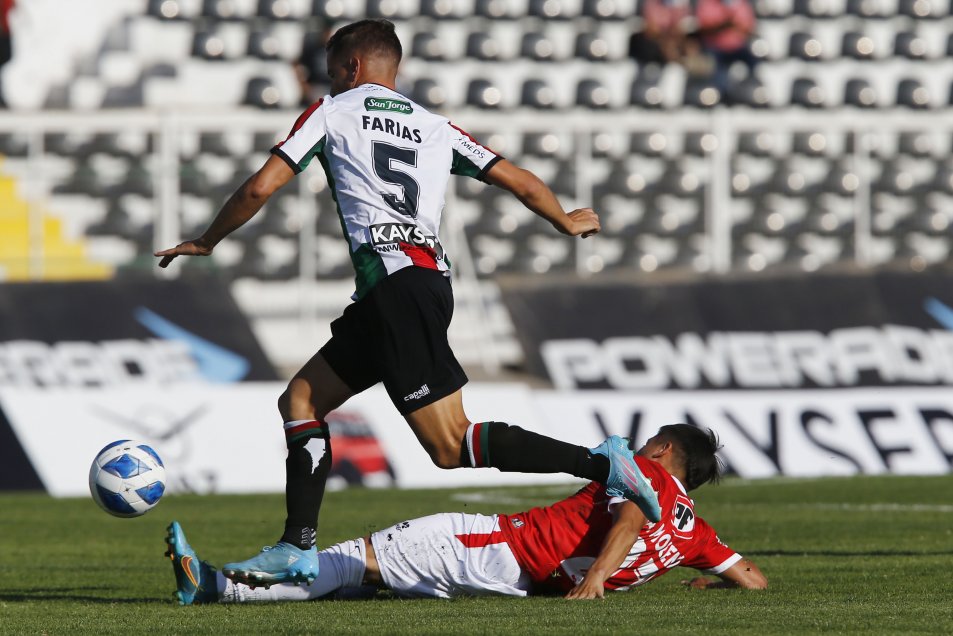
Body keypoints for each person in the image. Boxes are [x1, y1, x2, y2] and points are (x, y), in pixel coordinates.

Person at [154, 18, 660, 587]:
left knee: (449, 445)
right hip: (412, 285)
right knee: (300, 399)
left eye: (332, 71)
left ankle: (604, 463)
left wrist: (207, 240)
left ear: (350, 67)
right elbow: (516, 179)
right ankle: (296, 546)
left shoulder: (332, 111)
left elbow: (259, 187)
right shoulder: (432, 125)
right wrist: (564, 220)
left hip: (394, 286)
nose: (330, 80)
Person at [165, 425, 767, 605]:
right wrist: (708, 575)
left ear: (662, 453)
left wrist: (595, 580)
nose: (637, 456)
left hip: (498, 545)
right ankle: (217, 586)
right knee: (361, 581)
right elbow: (754, 580)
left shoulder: (650, 477)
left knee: (358, 561)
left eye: (648, 444)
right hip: (517, 579)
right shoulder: (700, 534)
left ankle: (218, 587)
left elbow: (632, 519)